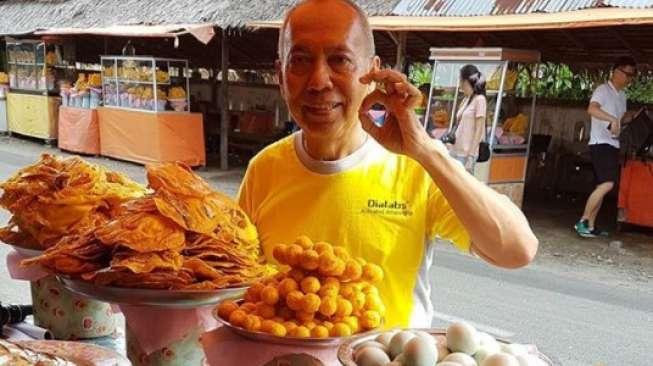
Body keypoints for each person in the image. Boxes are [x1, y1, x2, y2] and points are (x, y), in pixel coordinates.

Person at [238, 0, 538, 328]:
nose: (319, 81)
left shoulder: (415, 167)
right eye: (300, 61)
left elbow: (517, 249)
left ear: (372, 71)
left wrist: (425, 149)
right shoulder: (263, 170)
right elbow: (239, 284)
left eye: (340, 60)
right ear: (280, 76)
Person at [575, 56, 637, 238]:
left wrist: (630, 117)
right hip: (600, 143)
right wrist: (610, 118)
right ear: (616, 71)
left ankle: (591, 226)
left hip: (613, 143)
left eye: (631, 75)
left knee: (601, 186)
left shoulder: (622, 96)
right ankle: (583, 221)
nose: (629, 78)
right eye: (627, 74)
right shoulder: (602, 90)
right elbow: (592, 109)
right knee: (608, 183)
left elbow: (620, 119)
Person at [447, 65, 487, 173]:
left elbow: (479, 129)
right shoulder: (466, 99)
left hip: (466, 154)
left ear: (465, 81)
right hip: (455, 151)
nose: (459, 84)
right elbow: (458, 125)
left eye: (460, 80)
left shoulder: (480, 100)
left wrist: (471, 156)